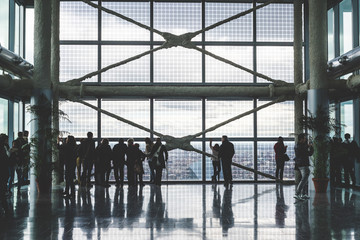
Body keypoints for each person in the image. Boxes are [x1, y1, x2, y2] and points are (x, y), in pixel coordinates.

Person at [294, 133, 313, 201]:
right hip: (303, 164)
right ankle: (297, 193)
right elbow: (309, 153)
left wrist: (308, 146)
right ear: (301, 139)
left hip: (299, 164)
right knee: (304, 179)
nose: (305, 139)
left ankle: (303, 193)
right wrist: (311, 147)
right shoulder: (301, 147)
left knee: (304, 179)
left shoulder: (297, 145)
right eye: (304, 138)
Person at [0, 134, 10, 215]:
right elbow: (5, 160)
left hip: (3, 172)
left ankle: (5, 208)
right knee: (2, 191)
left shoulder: (4, 147)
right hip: (3, 172)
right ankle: (6, 209)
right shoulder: (3, 149)